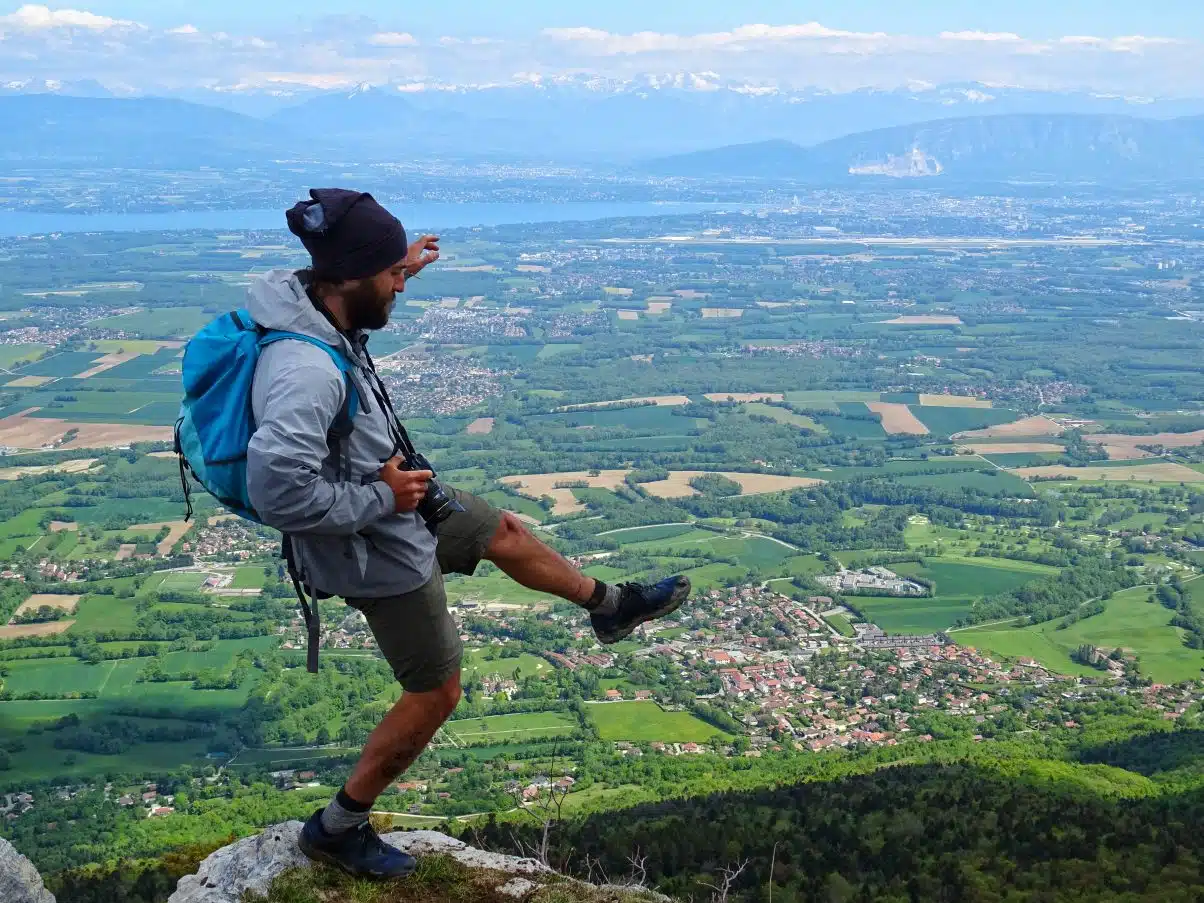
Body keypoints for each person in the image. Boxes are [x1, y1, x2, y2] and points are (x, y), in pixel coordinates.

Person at [244, 189, 690, 880]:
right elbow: (276, 491)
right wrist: (379, 494)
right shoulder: (302, 370)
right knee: (438, 691)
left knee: (503, 532)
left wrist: (399, 266)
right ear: (352, 277)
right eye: (391, 275)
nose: (401, 283)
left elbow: (359, 299)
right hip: (375, 545)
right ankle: (339, 826)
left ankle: (612, 607)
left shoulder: (324, 303)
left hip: (404, 500)